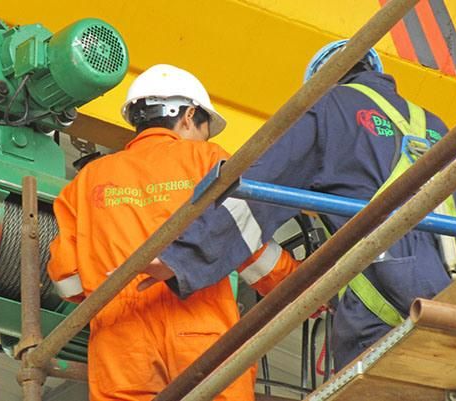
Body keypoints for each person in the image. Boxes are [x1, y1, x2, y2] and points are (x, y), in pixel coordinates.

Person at [151, 41, 456, 371]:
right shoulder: (435, 127)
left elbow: (258, 193)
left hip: (379, 310)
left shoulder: (328, 108)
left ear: (322, 82)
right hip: (454, 303)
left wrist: (183, 259)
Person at [47, 64, 299, 401]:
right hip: (199, 328)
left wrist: (117, 293)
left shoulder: (87, 181)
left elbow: (66, 277)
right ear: (188, 116)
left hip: (120, 342)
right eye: (204, 129)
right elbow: (243, 241)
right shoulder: (206, 159)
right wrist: (300, 285)